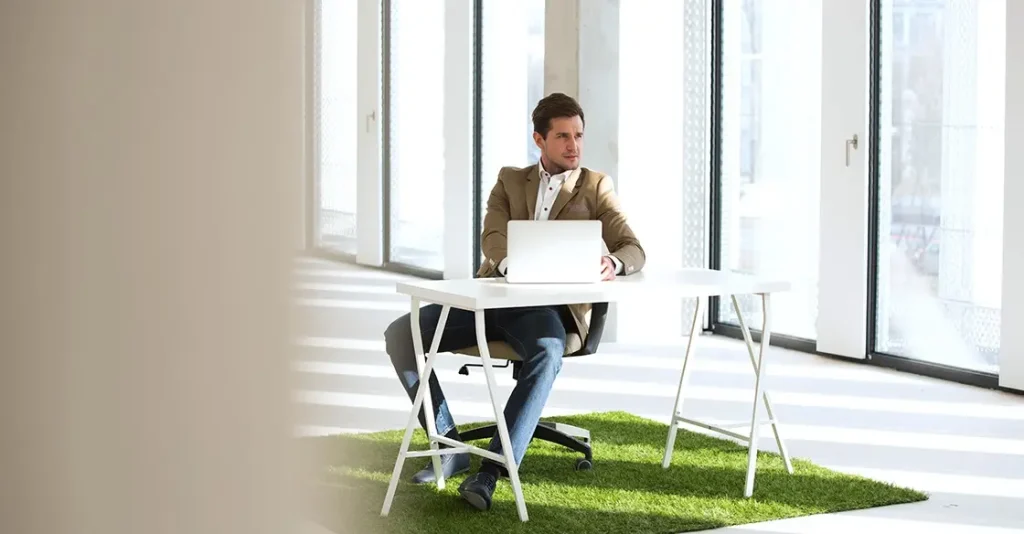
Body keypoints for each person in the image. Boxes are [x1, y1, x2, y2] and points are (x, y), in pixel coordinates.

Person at [383, 92, 645, 511]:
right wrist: (509, 265)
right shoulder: (509, 179)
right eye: (562, 136)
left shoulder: (595, 185)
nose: (574, 146)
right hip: (493, 296)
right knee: (401, 335)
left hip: (548, 310)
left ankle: (491, 472)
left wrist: (614, 262)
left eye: (578, 136)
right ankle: (449, 447)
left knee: (548, 349)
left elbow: (632, 245)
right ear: (539, 139)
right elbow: (492, 236)